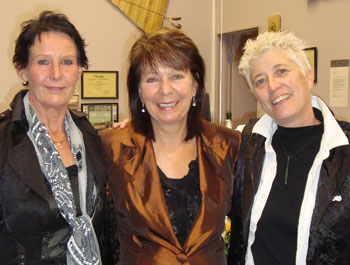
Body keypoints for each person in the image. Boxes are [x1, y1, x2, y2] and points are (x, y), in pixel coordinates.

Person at [100, 28, 240, 265]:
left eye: (176, 76)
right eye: (152, 79)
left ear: (195, 85)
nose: (165, 90)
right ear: (139, 92)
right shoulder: (111, 147)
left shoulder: (228, 145)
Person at [0, 11, 113, 265]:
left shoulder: (89, 136)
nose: (56, 74)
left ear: (80, 70)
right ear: (22, 70)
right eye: (42, 62)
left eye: (67, 62)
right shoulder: (4, 141)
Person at [228, 31, 350, 265]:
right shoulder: (245, 147)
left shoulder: (343, 152)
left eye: (281, 71)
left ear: (309, 76)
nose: (273, 86)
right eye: (260, 81)